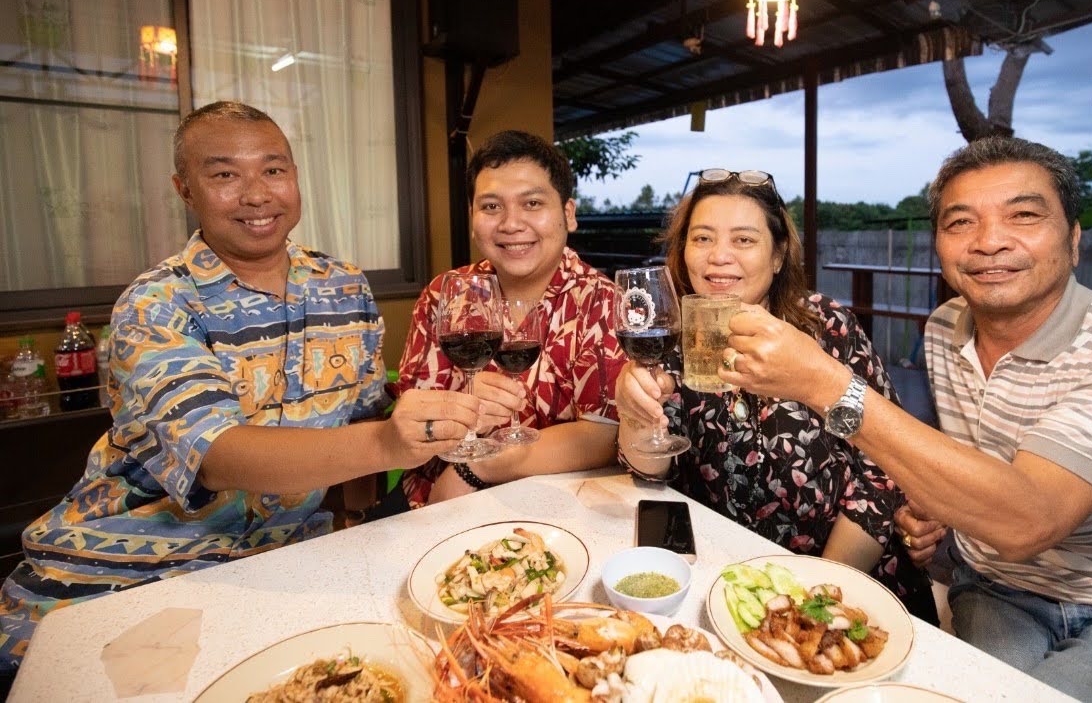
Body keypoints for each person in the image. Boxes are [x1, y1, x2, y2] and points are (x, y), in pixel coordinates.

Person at [718, 139, 1092, 702]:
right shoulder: (946, 328)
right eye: (961, 222)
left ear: (1075, 239)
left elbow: (1029, 519)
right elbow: (979, 459)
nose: (988, 241)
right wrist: (935, 507)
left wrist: (825, 384)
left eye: (1023, 215)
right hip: (992, 590)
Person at [0, 102, 481, 676]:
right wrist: (389, 443)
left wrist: (359, 522)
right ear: (185, 189)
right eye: (225, 174)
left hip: (283, 562)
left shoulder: (344, 286)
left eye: (273, 170)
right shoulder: (156, 303)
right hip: (124, 573)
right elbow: (218, 457)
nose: (256, 194)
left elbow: (361, 422)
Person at [615, 169, 938, 623]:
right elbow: (649, 471)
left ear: (779, 255)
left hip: (847, 587)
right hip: (725, 585)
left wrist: (813, 601)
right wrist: (634, 413)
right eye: (702, 238)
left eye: (744, 240)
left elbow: (881, 472)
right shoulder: (671, 335)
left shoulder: (826, 328)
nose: (719, 256)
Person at [390, 130, 626, 507]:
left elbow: (603, 437)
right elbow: (411, 424)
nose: (511, 224)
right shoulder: (444, 295)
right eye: (491, 206)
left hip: (552, 510)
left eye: (532, 203)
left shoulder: (602, 301)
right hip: (430, 503)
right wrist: (460, 407)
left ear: (568, 214)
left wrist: (476, 467)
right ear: (472, 218)